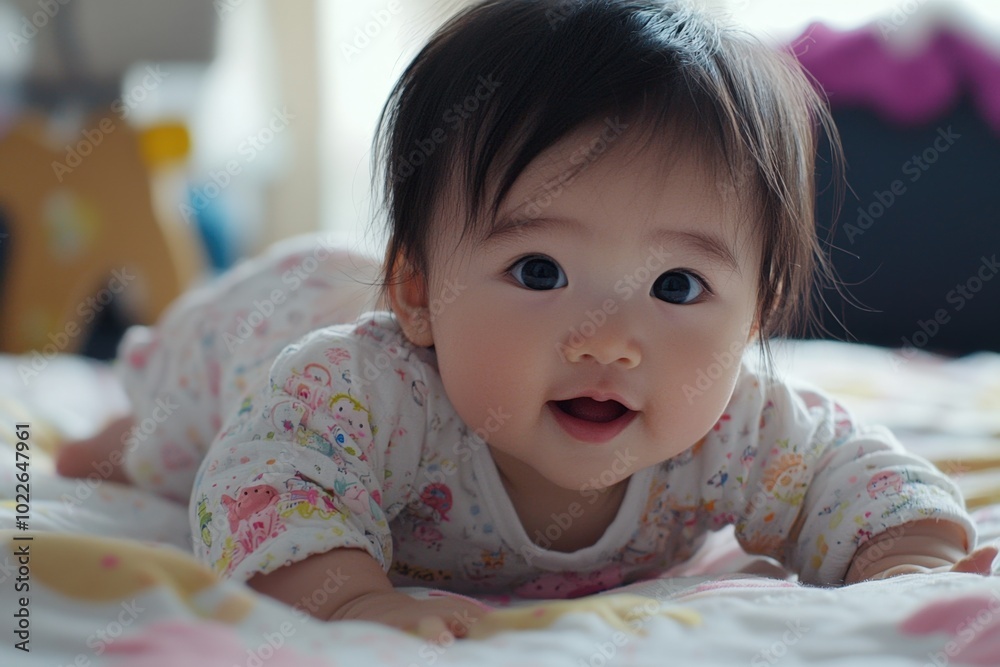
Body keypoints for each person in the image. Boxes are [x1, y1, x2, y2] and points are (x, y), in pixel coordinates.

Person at [57, 0, 996, 641]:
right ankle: (114, 428)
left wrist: (909, 553)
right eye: (539, 269)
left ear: (757, 313)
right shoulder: (357, 392)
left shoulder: (740, 426)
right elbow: (262, 479)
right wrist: (347, 596)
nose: (609, 339)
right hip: (264, 329)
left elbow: (856, 474)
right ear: (419, 295)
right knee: (165, 444)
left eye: (678, 287)